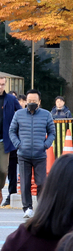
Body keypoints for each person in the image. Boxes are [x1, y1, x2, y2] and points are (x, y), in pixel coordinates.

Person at [9, 90, 55, 218]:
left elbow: (52, 132)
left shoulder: (46, 115)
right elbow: (12, 131)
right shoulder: (18, 114)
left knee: (41, 183)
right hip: (23, 154)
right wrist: (18, 144)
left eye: (34, 101)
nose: (31, 103)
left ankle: (41, 208)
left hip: (40, 154)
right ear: (25, 102)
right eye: (29, 101)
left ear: (39, 102)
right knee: (25, 183)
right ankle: (27, 208)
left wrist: (46, 145)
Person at [1, 77, 21, 206]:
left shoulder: (11, 99)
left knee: (3, 170)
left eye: (2, 84)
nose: (0, 86)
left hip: (5, 139)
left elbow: (20, 113)